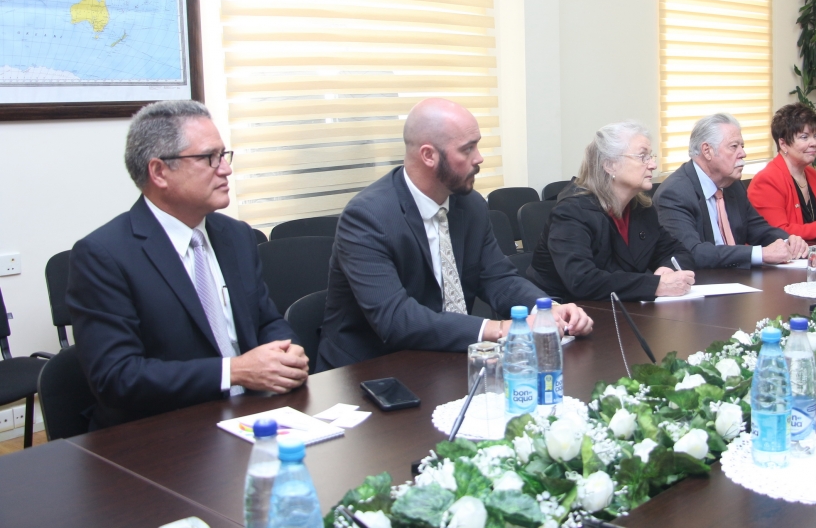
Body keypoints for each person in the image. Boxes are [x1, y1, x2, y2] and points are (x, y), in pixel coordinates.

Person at [67, 101, 308, 430]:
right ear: (159, 172)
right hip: (163, 430)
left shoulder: (235, 235)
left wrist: (288, 351)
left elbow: (266, 320)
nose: (225, 169)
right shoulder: (104, 255)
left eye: (224, 155)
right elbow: (117, 377)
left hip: (254, 413)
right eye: (210, 157)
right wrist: (233, 371)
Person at [317, 98, 593, 370]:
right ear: (429, 155)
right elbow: (395, 318)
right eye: (467, 149)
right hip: (369, 369)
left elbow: (499, 279)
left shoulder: (470, 205)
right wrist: (501, 329)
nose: (479, 158)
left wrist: (545, 311)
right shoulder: (367, 217)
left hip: (442, 358)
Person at [528, 121, 696, 302]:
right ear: (609, 165)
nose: (653, 165)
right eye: (643, 156)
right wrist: (655, 285)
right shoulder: (571, 212)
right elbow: (582, 280)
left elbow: (678, 252)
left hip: (621, 307)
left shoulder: (641, 208)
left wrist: (667, 269)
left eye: (651, 156)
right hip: (562, 309)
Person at [655, 113, 809, 269]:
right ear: (707, 151)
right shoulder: (675, 193)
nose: (743, 153)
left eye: (742, 146)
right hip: (702, 279)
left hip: (738, 277)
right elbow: (692, 252)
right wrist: (761, 254)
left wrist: (788, 241)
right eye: (734, 146)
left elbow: (758, 229)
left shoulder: (733, 185)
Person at [747, 104, 816, 241]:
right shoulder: (767, 179)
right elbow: (779, 233)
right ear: (783, 144)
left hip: (815, 251)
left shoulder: (811, 173)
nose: (814, 143)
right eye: (804, 137)